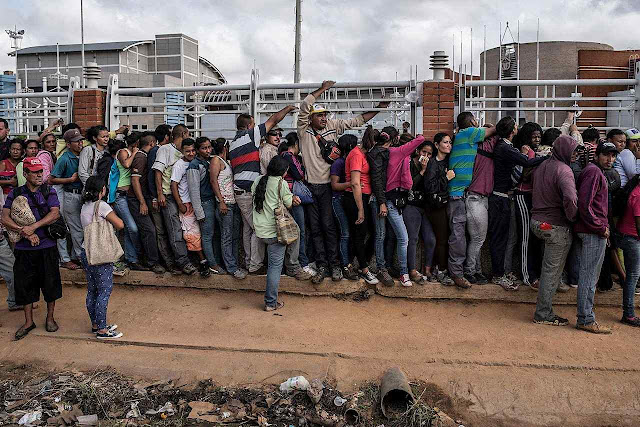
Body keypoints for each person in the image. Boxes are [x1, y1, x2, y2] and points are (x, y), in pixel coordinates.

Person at [298, 80, 390, 284]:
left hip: (327, 188)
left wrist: (378, 109)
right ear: (311, 118)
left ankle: (335, 264)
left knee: (329, 227)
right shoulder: (303, 130)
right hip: (310, 186)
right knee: (315, 227)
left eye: (324, 115)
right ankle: (321, 264)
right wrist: (323, 89)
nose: (323, 118)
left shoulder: (333, 126)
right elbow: (304, 106)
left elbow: (357, 121)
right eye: (319, 115)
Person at [229, 106, 296, 275]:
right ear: (249, 126)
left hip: (241, 191)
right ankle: (254, 265)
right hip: (246, 191)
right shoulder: (249, 136)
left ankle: (249, 262)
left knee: (248, 228)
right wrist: (287, 108)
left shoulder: (233, 142)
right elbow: (273, 120)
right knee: (257, 229)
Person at [2, 157, 63, 340]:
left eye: (40, 171)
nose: (38, 175)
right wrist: (24, 232)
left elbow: (55, 213)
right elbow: (4, 217)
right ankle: (29, 322)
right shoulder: (16, 192)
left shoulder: (48, 190)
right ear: (25, 174)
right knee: (25, 285)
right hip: (24, 248)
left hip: (47, 246)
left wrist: (34, 227)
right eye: (34, 172)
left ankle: (50, 318)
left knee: (50, 284)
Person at [488, 116, 546, 290]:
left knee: (504, 238)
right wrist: (547, 157)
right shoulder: (504, 147)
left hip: (502, 198)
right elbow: (527, 162)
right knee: (499, 239)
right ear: (512, 130)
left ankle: (501, 272)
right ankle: (498, 275)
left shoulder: (505, 146)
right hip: (500, 199)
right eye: (515, 125)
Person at [531, 135, 578, 326]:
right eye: (573, 150)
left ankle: (556, 283)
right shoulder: (564, 170)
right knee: (550, 270)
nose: (575, 154)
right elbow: (570, 198)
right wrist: (572, 217)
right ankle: (543, 314)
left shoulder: (542, 166)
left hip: (538, 223)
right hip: (555, 226)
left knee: (550, 266)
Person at [448, 112, 496, 288]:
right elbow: (496, 129)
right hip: (458, 194)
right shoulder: (469, 133)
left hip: (462, 193)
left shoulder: (463, 137)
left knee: (466, 236)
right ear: (471, 122)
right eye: (476, 120)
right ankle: (461, 273)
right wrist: (488, 125)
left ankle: (469, 271)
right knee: (459, 236)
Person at [574, 142, 617, 334]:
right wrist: (600, 227)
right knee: (589, 276)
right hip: (592, 231)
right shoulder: (593, 172)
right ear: (597, 155)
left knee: (590, 275)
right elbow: (585, 204)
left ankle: (586, 317)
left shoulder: (594, 171)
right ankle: (585, 318)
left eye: (613, 156)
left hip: (593, 229)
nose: (610, 159)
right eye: (606, 155)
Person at [251, 155, 303, 311]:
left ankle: (292, 266)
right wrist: (294, 199)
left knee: (273, 265)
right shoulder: (281, 183)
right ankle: (270, 302)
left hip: (260, 231)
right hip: (275, 232)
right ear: (283, 171)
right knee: (274, 268)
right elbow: (288, 203)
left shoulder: (258, 180)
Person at [378, 128, 427, 287]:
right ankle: (404, 273)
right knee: (404, 238)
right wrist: (416, 135)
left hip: (391, 199)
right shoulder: (398, 152)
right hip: (393, 200)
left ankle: (392, 269)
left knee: (390, 236)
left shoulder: (387, 153)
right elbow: (421, 139)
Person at [79, 176, 125, 339]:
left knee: (92, 289)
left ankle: (96, 324)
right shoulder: (102, 206)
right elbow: (120, 224)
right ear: (102, 190)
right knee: (104, 291)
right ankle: (103, 330)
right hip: (100, 253)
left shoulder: (84, 206)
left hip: (87, 251)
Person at [152, 124, 197, 275]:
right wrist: (159, 194)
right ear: (184, 133)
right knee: (174, 230)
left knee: (185, 229)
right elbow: (158, 173)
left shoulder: (186, 152)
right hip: (168, 196)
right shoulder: (165, 150)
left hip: (184, 197)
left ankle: (184, 260)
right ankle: (182, 262)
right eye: (188, 134)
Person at [171, 138, 213, 277]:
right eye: (187, 151)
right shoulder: (179, 165)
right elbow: (174, 185)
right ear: (182, 151)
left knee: (198, 233)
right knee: (192, 234)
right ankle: (202, 262)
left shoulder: (198, 163)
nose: (191, 153)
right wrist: (180, 204)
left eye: (193, 150)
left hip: (196, 203)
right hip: (186, 204)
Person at [343, 128, 378, 285]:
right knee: (359, 234)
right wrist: (361, 209)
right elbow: (356, 183)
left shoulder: (362, 154)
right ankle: (363, 269)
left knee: (370, 232)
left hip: (363, 198)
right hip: (355, 199)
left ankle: (357, 263)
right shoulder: (356, 154)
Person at [127, 131, 165, 274]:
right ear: (152, 144)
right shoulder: (141, 157)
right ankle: (152, 262)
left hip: (140, 199)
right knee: (149, 230)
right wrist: (142, 202)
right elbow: (135, 180)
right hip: (135, 200)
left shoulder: (145, 156)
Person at [512, 122, 544, 288]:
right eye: (534, 136)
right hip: (522, 195)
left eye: (539, 136)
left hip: (535, 197)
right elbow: (523, 176)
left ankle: (535, 273)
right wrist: (538, 161)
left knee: (536, 238)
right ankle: (527, 276)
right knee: (526, 237)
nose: (537, 139)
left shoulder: (537, 150)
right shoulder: (524, 150)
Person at [209, 138, 247, 279]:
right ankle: (231, 267)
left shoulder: (226, 162)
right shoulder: (216, 161)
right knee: (226, 236)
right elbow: (213, 181)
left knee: (234, 236)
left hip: (233, 203)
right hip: (225, 205)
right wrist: (221, 201)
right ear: (225, 147)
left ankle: (234, 264)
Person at [464, 132, 498, 285]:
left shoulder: (471, 148)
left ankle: (477, 271)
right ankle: (470, 271)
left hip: (478, 198)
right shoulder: (485, 148)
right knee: (478, 239)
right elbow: (499, 130)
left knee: (477, 239)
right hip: (475, 198)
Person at [280, 133, 316, 279]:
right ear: (296, 143)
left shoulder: (284, 155)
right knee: (299, 231)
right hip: (293, 197)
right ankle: (301, 263)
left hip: (290, 196)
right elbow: (299, 175)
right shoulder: (288, 156)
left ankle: (294, 263)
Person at [37, 132, 74, 270]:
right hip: (50, 193)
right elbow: (47, 178)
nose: (52, 144)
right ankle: (64, 258)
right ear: (43, 144)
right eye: (48, 142)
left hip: (52, 192)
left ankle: (60, 258)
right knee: (58, 223)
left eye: (53, 142)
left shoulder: (51, 155)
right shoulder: (44, 156)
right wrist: (68, 179)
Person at [188, 136, 225, 275]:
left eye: (209, 147)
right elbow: (193, 191)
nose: (208, 150)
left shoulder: (209, 161)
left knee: (214, 235)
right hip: (204, 204)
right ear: (197, 150)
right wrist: (199, 212)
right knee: (207, 235)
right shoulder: (194, 165)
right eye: (204, 148)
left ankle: (216, 261)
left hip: (212, 202)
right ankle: (212, 264)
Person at [49, 128, 85, 268]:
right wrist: (69, 180)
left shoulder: (83, 154)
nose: (80, 143)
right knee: (74, 229)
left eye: (80, 140)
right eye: (76, 141)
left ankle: (74, 256)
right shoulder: (64, 158)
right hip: (70, 195)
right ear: (68, 144)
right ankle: (75, 258)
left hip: (80, 195)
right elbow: (52, 179)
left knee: (78, 228)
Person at [112, 132, 147, 270]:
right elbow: (126, 164)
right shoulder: (123, 152)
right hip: (120, 196)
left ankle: (131, 259)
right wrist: (134, 153)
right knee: (132, 228)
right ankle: (138, 253)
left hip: (129, 196)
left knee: (128, 228)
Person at [403, 138, 436, 283]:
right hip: (411, 205)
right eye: (424, 152)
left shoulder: (432, 166)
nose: (426, 156)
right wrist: (422, 170)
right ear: (417, 151)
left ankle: (427, 269)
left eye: (429, 154)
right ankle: (412, 270)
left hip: (425, 207)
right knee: (413, 238)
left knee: (430, 239)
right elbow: (410, 185)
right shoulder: (409, 163)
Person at [424, 133, 455, 283]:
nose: (448, 145)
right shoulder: (432, 163)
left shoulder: (450, 161)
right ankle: (441, 270)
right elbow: (429, 188)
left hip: (448, 203)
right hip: (435, 206)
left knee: (446, 237)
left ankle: (442, 268)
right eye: (445, 142)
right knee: (441, 239)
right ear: (437, 145)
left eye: (450, 142)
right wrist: (446, 178)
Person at [616, 142, 640, 327]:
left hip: (627, 236)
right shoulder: (638, 195)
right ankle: (629, 314)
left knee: (632, 276)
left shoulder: (634, 190)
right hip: (632, 238)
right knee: (632, 277)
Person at [148, 124, 175, 271]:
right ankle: (167, 261)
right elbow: (153, 176)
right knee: (161, 231)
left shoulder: (165, 150)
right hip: (158, 198)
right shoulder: (157, 151)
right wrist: (155, 197)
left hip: (162, 196)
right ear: (166, 136)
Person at [330, 134, 356, 279]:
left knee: (350, 234)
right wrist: (351, 184)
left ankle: (349, 264)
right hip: (338, 200)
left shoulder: (350, 161)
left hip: (348, 200)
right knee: (345, 233)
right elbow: (334, 185)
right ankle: (344, 266)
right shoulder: (339, 163)